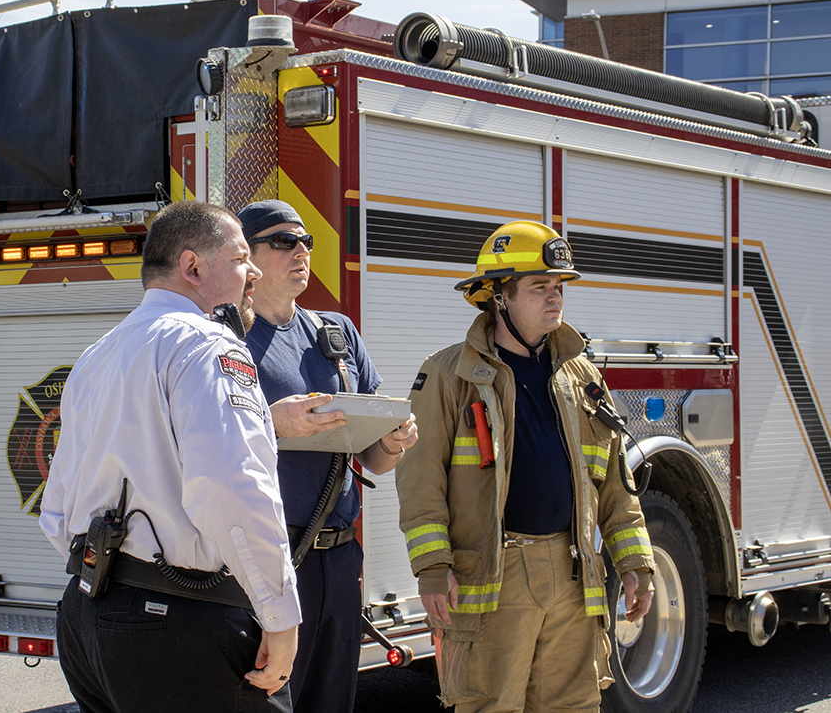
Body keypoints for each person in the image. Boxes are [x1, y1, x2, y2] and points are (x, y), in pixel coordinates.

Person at [39, 200, 301, 713]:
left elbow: (58, 504)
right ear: (193, 267)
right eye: (241, 257)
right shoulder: (210, 346)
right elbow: (233, 487)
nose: (252, 273)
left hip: (88, 614)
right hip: (182, 625)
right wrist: (279, 616)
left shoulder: (98, 354)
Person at [395, 220, 656, 713]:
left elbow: (615, 484)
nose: (555, 297)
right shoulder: (450, 374)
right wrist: (432, 568)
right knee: (490, 705)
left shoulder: (581, 375)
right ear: (498, 297)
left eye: (559, 287)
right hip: (496, 576)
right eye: (540, 287)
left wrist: (634, 562)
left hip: (574, 574)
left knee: (574, 706)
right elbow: (419, 481)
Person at [236, 200, 418, 713]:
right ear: (246, 257)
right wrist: (272, 422)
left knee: (331, 702)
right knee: (264, 699)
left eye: (305, 242)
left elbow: (375, 461)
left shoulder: (334, 334)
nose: (300, 250)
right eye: (282, 241)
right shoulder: (226, 338)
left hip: (338, 559)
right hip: (267, 558)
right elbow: (195, 439)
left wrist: (393, 440)